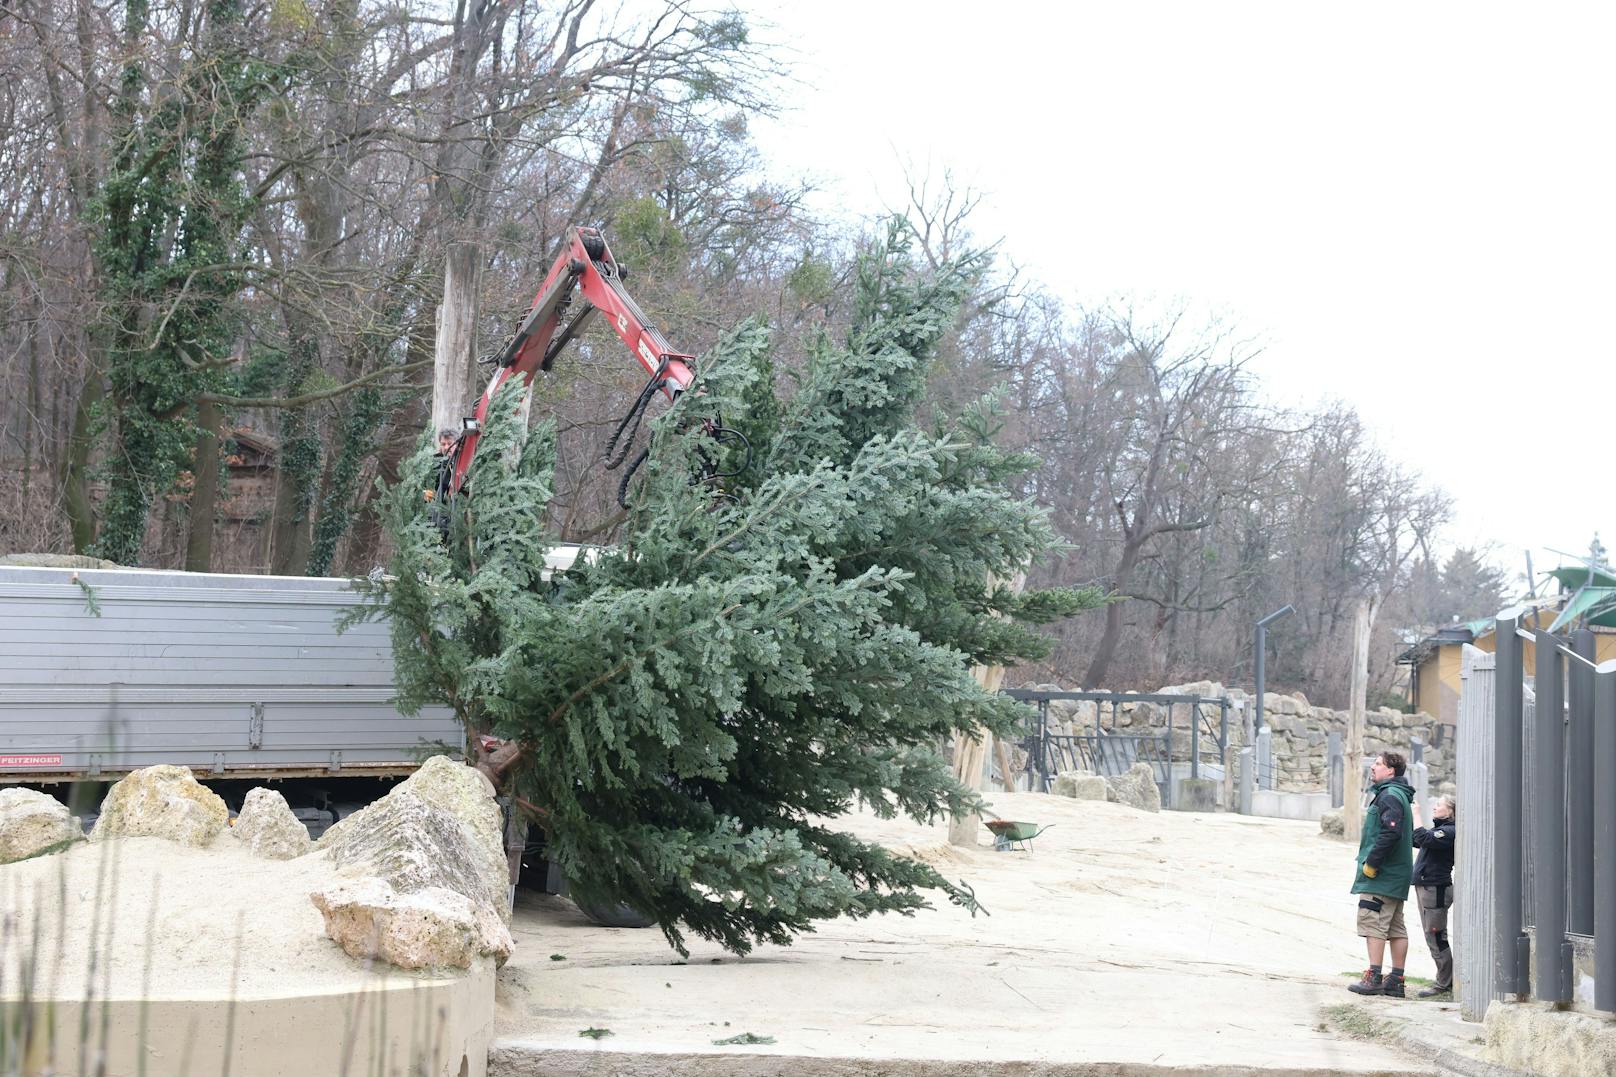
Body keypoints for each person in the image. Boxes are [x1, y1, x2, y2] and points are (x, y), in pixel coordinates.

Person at [1348, 751, 1415, 997]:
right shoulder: (1399, 795)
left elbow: (1390, 832)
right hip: (1397, 875)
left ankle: (1374, 976)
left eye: (1378, 764)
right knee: (1396, 927)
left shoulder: (1389, 795)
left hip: (1382, 875)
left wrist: (1372, 864)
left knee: (1373, 922)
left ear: (1391, 771)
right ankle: (1396, 980)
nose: (1373, 768)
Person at [1411, 793, 1456, 998]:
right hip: (1427, 887)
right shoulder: (1439, 829)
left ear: (1451, 811)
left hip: (1435, 889)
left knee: (1437, 936)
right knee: (1432, 936)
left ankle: (1444, 983)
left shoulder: (1449, 831)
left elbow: (1423, 838)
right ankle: (1444, 978)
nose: (1435, 807)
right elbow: (1417, 840)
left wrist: (1416, 814)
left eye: (1439, 805)